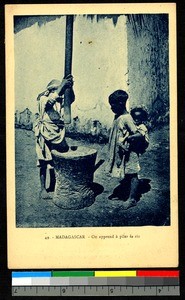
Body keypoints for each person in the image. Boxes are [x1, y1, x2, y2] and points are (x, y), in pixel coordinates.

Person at [34, 75, 75, 199]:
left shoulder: (60, 103)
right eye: (56, 90)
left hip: (57, 134)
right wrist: (62, 85)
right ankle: (43, 189)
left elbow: (71, 99)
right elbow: (50, 101)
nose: (59, 94)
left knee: (55, 161)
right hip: (44, 134)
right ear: (50, 90)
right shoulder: (43, 99)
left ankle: (53, 186)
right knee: (43, 162)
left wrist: (70, 87)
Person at [107, 90, 147, 210]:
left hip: (130, 152)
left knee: (133, 173)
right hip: (122, 152)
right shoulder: (118, 117)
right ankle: (125, 193)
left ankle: (132, 199)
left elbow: (138, 134)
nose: (111, 107)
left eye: (113, 104)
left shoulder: (127, 118)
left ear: (120, 103)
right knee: (126, 173)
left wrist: (130, 138)